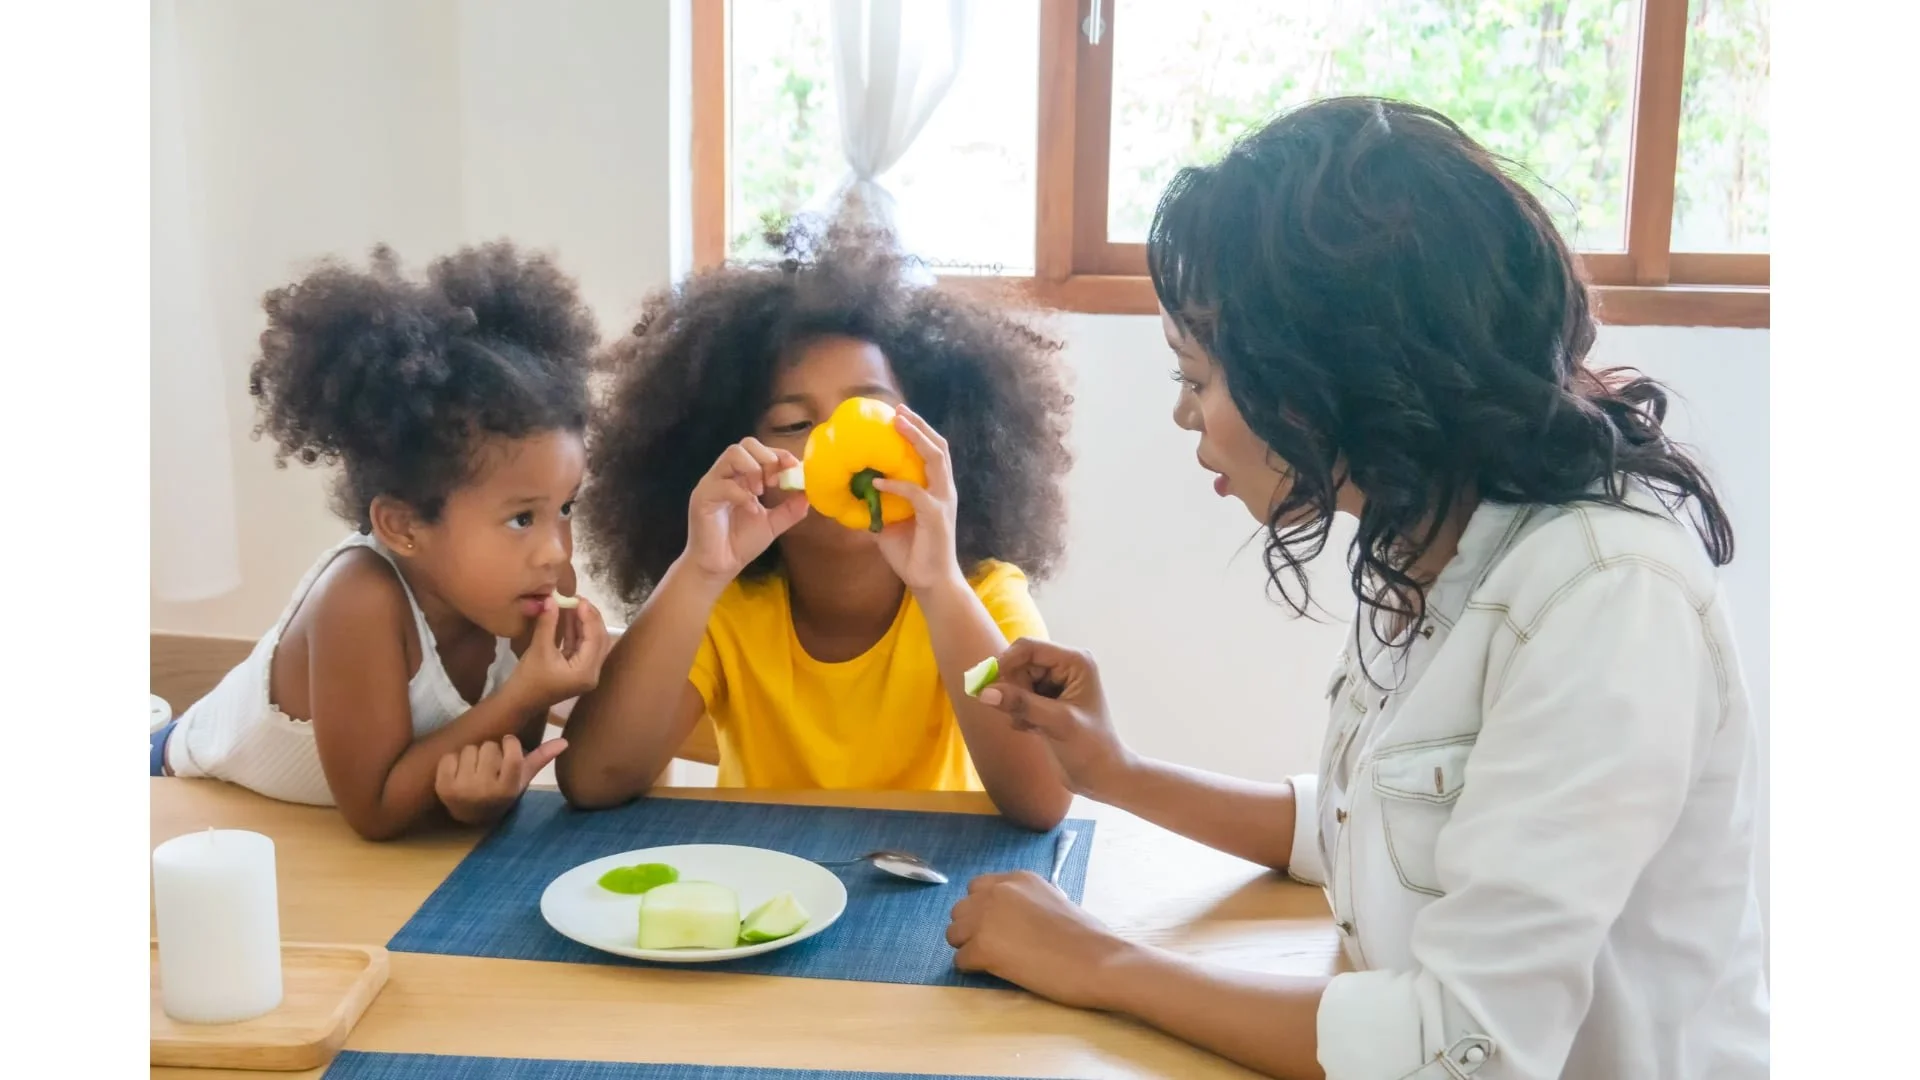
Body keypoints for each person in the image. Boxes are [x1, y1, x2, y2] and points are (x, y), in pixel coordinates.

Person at [945, 98, 1769, 1079]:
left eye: (1199, 376)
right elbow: (1365, 830)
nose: (1182, 413)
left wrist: (1099, 962)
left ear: (1331, 373)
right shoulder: (1435, 529)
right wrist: (1119, 774)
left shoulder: (1604, 600)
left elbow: (1470, 1047)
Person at [557, 223, 1075, 830]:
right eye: (794, 425)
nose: (836, 444)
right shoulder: (727, 605)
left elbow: (1044, 801)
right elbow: (592, 780)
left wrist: (939, 587)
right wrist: (698, 572)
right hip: (765, 891)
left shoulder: (982, 595)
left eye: (870, 412)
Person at [155, 242, 613, 842]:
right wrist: (529, 691)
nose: (556, 549)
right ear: (403, 526)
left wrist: (485, 796)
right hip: (176, 801)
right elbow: (375, 810)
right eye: (522, 518)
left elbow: (488, 764)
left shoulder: (535, 595)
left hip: (311, 844)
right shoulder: (360, 600)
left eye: (566, 508)